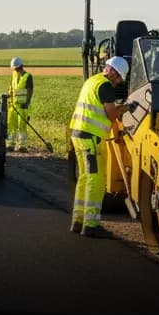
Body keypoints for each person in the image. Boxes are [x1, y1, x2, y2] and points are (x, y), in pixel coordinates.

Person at [68, 56, 130, 238]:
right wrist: (123, 110)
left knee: (84, 177)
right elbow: (110, 113)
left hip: (78, 134)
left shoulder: (92, 81)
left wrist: (120, 108)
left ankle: (78, 221)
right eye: (120, 78)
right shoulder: (106, 86)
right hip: (91, 137)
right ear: (114, 73)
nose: (119, 83)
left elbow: (101, 108)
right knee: (96, 179)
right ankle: (91, 224)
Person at [7, 56, 34, 152]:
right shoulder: (14, 75)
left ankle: (22, 146)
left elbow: (30, 91)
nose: (15, 70)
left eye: (15, 69)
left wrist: (27, 102)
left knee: (21, 126)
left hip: (22, 106)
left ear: (19, 67)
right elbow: (11, 88)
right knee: (11, 126)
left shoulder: (28, 76)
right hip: (13, 106)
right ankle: (10, 144)